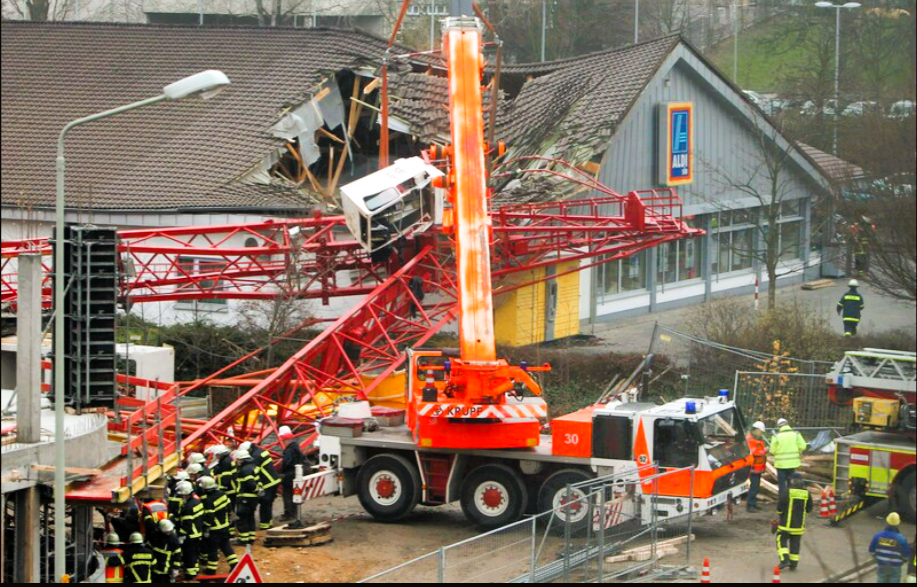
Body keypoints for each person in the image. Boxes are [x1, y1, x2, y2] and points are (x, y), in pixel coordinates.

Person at [198, 475, 239, 574]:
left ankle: (211, 570)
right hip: (225, 526)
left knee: (212, 549)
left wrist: (206, 527)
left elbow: (210, 517)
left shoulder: (208, 500)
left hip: (214, 529)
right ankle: (235, 565)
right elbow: (229, 508)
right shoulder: (222, 494)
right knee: (226, 546)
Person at [775, 474, 812, 571]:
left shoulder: (787, 491)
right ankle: (794, 564)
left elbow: (781, 506)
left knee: (780, 540)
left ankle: (784, 560)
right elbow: (809, 509)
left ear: (792, 481)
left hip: (786, 524)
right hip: (799, 525)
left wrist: (779, 514)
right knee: (795, 543)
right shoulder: (807, 493)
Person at [241, 440, 280, 530]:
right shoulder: (260, 452)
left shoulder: (255, 457)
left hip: (267, 483)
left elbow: (253, 471)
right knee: (268, 504)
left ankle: (264, 525)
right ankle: (268, 522)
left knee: (264, 503)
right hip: (274, 480)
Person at [869, 512, 913, 583]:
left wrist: (878, 560)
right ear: (898, 523)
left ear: (887, 521)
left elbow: (871, 551)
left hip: (882, 565)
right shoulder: (901, 539)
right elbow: (906, 556)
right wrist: (900, 562)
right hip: (895, 567)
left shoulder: (878, 536)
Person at [176, 480, 204, 580]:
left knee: (189, 556)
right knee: (195, 554)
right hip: (198, 532)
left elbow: (186, 524)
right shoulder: (197, 502)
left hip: (190, 535)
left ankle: (190, 575)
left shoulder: (187, 507)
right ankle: (195, 570)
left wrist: (181, 535)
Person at [771, 418, 807, 495]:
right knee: (791, 484)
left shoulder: (776, 436)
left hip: (780, 465)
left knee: (782, 485)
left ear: (779, 426)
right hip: (793, 464)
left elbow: (772, 450)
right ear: (787, 424)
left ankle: (782, 500)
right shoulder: (796, 434)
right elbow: (803, 446)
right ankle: (791, 499)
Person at [234, 449, 261, 548]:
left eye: (238, 460)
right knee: (250, 517)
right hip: (252, 498)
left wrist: (254, 490)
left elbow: (250, 484)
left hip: (245, 498)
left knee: (242, 518)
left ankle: (244, 539)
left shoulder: (244, 470)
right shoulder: (253, 467)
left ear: (242, 460)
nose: (236, 462)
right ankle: (250, 538)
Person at [279, 425, 304, 522]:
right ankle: (294, 513)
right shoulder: (295, 448)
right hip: (295, 474)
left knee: (287, 495)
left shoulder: (289, 450)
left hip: (289, 476)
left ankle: (288, 514)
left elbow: (287, 463)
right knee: (294, 495)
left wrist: (282, 474)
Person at [148, 518, 182, 584]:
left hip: (166, 571)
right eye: (167, 531)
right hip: (154, 569)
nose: (168, 533)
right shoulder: (154, 536)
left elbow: (177, 555)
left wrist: (176, 568)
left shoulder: (173, 539)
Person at [745, 420, 768, 513]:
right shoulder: (750, 440)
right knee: (754, 486)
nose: (761, 434)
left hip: (757, 468)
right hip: (753, 468)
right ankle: (750, 505)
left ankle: (753, 504)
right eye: (761, 431)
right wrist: (764, 451)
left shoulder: (756, 440)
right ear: (757, 430)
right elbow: (754, 452)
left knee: (756, 486)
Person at [210, 444, 238, 510]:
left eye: (217, 455)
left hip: (230, 489)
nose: (216, 456)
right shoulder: (227, 460)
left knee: (229, 508)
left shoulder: (225, 462)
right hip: (232, 487)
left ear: (221, 454)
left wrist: (216, 478)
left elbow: (226, 478)